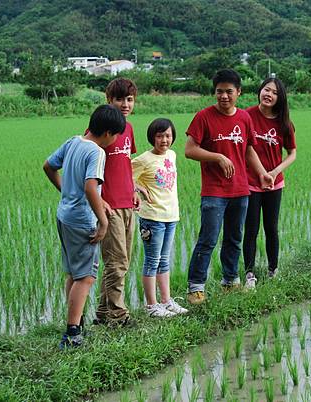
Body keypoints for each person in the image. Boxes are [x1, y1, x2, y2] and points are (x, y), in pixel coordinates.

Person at [184, 68, 273, 305]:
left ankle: (230, 281)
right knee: (208, 239)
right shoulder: (203, 117)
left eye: (229, 92)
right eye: (219, 92)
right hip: (214, 191)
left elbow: (249, 149)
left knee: (234, 238)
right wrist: (218, 157)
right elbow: (189, 150)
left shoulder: (244, 118)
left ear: (239, 92)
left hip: (240, 189)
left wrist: (262, 174)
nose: (224, 96)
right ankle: (196, 287)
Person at [43, 105, 126, 349]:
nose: (116, 141)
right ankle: (72, 333)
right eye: (117, 136)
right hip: (82, 221)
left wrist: (68, 193)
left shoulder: (73, 142)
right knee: (86, 277)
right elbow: (91, 187)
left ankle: (75, 323)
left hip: (65, 216)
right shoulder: (97, 152)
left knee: (73, 273)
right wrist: (102, 220)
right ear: (109, 133)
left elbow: (48, 166)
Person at [94, 78, 140, 327]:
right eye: (119, 99)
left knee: (122, 261)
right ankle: (119, 315)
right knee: (116, 261)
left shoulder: (129, 129)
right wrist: (99, 202)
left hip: (127, 204)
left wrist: (133, 189)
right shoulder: (101, 129)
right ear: (109, 100)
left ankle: (102, 313)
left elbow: (126, 165)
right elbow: (90, 169)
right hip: (109, 205)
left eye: (129, 99)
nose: (125, 104)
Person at [243, 78, 297, 289]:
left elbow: (292, 153)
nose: (269, 94)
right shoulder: (246, 116)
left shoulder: (284, 123)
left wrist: (274, 172)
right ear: (260, 91)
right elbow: (245, 148)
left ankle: (273, 269)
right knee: (251, 228)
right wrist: (262, 173)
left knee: (271, 227)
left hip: (274, 183)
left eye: (274, 92)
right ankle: (249, 274)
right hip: (250, 182)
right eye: (266, 89)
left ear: (279, 98)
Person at [132, 118, 188, 317]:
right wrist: (137, 188)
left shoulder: (171, 155)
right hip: (152, 218)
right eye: (159, 136)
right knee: (152, 261)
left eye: (167, 135)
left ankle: (166, 301)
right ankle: (151, 306)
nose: (164, 140)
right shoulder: (144, 159)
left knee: (164, 260)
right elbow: (123, 174)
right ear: (152, 137)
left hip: (170, 215)